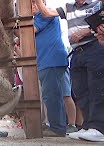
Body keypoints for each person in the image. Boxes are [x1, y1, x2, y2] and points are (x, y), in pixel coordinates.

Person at [35, 0, 104, 142]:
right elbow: (48, 13)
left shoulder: (97, 4)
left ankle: (98, 128)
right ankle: (87, 126)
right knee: (80, 90)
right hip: (76, 52)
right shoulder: (68, 7)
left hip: (94, 48)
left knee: (96, 89)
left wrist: (87, 31)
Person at [32, 0, 72, 137]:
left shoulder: (44, 14)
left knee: (52, 95)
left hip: (51, 60)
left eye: (33, 3)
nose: (32, 7)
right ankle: (57, 126)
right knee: (52, 95)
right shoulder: (38, 17)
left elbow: (31, 30)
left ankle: (57, 128)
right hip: (47, 61)